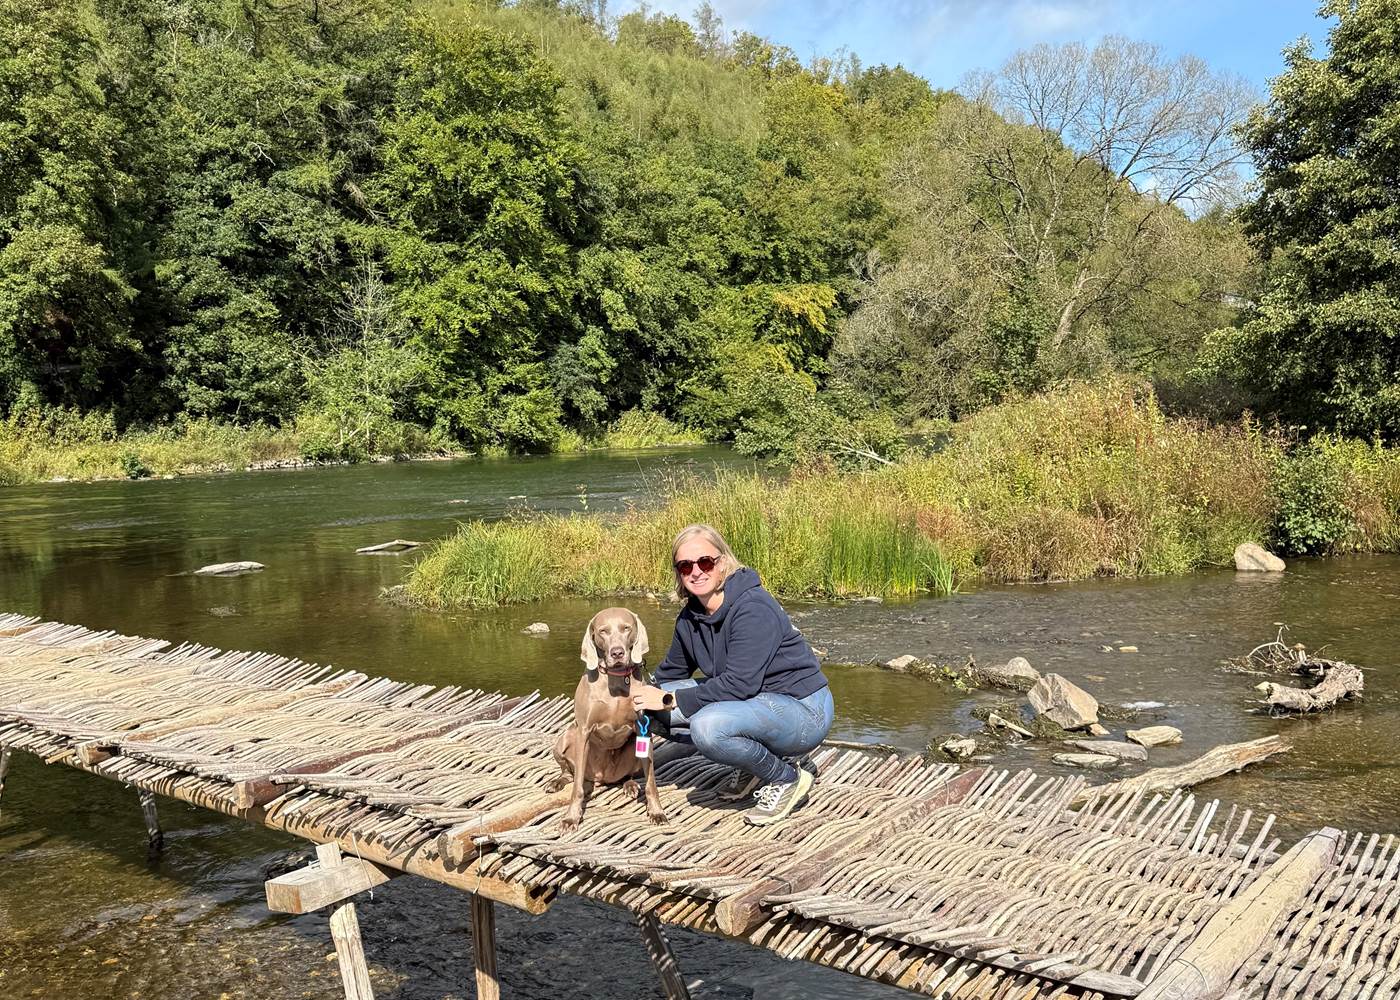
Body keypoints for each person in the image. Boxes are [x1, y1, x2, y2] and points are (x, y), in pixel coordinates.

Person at [629, 523, 834, 826]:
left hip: (803, 709)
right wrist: (639, 696)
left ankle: (786, 777)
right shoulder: (690, 617)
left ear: (723, 562)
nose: (696, 571)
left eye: (705, 562)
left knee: (707, 726)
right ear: (678, 573)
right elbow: (669, 674)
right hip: (753, 703)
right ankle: (754, 764)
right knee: (651, 707)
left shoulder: (753, 607)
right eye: (685, 566)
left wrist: (670, 699)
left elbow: (739, 684)